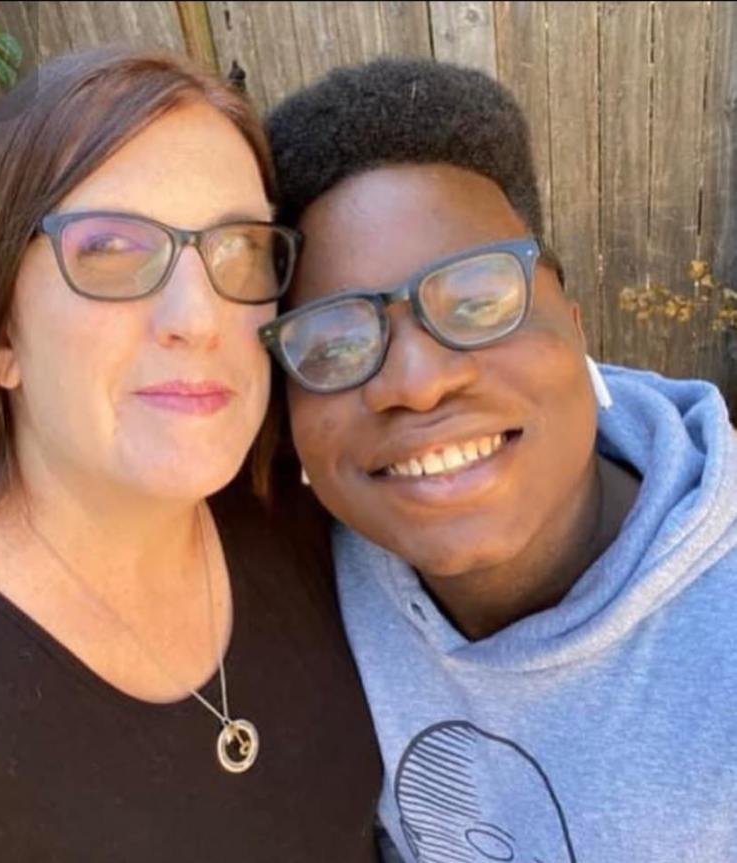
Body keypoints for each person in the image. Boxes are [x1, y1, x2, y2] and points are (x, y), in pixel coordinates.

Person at [0, 48, 382, 862]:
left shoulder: (308, 519)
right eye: (111, 249)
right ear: (1, 333)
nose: (199, 319)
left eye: (240, 249)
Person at [261, 58, 737, 861]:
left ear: (574, 324)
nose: (417, 383)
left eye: (477, 302)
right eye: (334, 342)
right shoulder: (301, 576)